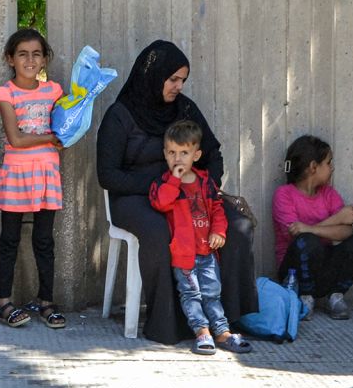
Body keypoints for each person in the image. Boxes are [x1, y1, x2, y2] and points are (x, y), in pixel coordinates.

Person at [96, 40, 258, 345]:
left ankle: (227, 320)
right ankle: (169, 324)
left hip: (189, 195)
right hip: (134, 199)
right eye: (172, 79)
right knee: (160, 230)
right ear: (153, 76)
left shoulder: (184, 109)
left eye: (182, 80)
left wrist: (206, 188)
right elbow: (108, 175)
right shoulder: (121, 115)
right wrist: (161, 186)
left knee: (237, 225)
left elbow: (212, 152)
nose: (178, 86)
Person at [149, 120, 252, 355]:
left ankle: (222, 331)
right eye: (172, 152)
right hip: (184, 254)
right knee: (191, 294)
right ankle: (201, 331)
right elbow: (161, 202)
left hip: (207, 251)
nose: (178, 159)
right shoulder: (164, 183)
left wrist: (218, 231)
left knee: (212, 292)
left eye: (184, 153)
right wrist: (175, 180)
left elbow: (217, 209)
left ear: (196, 155)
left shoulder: (205, 181)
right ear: (165, 154)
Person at [0, 28, 66, 328]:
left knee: (44, 240)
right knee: (9, 239)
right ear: (10, 59)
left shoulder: (55, 92)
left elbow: (66, 129)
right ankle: (3, 303)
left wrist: (61, 136)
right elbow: (16, 139)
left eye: (36, 54)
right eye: (22, 54)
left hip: (46, 174)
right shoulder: (5, 93)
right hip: (16, 173)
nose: (30, 60)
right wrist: (50, 137)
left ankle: (47, 302)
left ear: (45, 59)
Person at [273, 135, 353, 320]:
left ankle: (335, 296)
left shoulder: (328, 193)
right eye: (328, 163)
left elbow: (346, 231)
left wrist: (311, 228)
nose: (332, 168)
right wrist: (336, 218)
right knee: (307, 241)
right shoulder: (284, 194)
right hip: (294, 271)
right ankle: (305, 298)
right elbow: (295, 235)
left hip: (324, 267)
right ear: (313, 167)